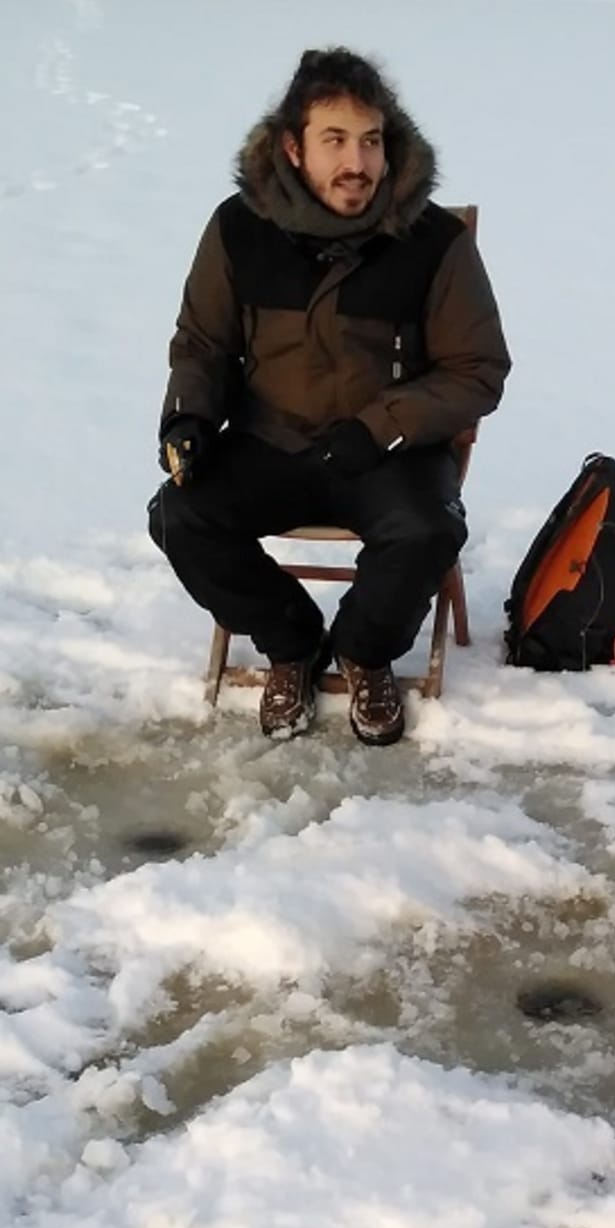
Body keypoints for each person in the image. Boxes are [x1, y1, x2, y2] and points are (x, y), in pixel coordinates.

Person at [149, 48, 510, 745]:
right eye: (335, 141)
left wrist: (382, 427)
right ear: (293, 147)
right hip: (270, 442)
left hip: (387, 453)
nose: (358, 163)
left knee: (428, 531)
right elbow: (202, 343)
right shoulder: (238, 228)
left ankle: (365, 651)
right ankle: (291, 644)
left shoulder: (434, 241)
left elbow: (478, 369)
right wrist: (190, 416)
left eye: (371, 141)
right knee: (180, 516)